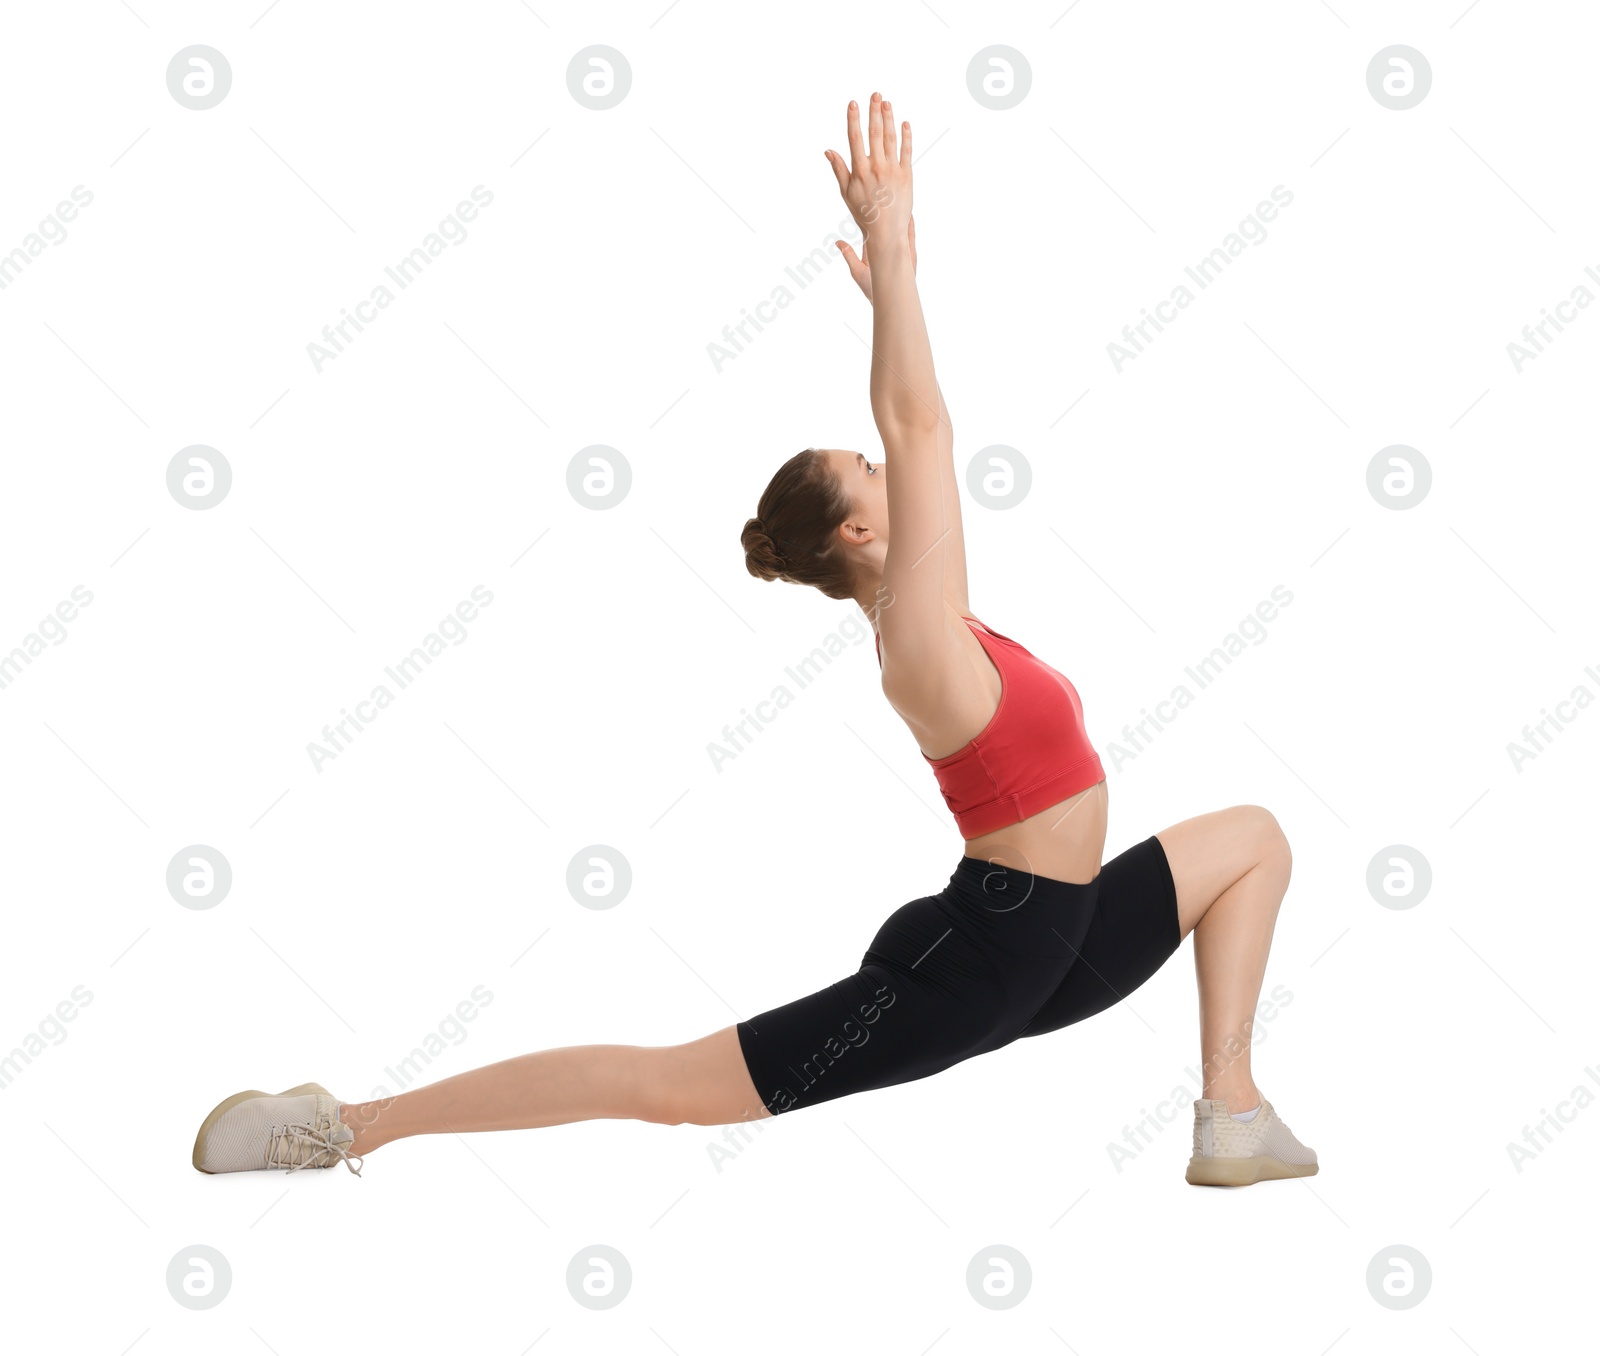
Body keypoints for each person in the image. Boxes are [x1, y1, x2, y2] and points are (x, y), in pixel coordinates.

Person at [192, 93, 1316, 1189]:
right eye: (869, 474)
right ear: (860, 529)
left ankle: (1231, 1112)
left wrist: (898, 288)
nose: (893, 471)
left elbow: (919, 433)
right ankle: (347, 1126)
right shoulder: (919, 644)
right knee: (670, 1086)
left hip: (1059, 940)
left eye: (876, 464)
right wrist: (891, 256)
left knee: (1251, 839)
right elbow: (918, 422)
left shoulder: (943, 613)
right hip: (976, 966)